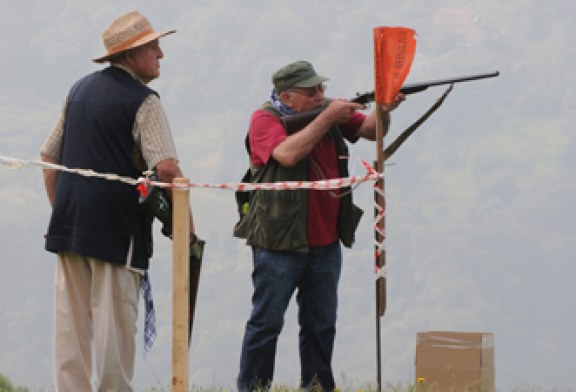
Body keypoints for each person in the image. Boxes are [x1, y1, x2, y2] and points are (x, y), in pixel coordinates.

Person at [40, 11, 194, 392]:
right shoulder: (144, 101)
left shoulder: (77, 90)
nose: (161, 54)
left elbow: (47, 156)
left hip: (69, 226)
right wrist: (186, 226)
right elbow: (169, 169)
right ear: (130, 55)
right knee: (114, 328)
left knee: (70, 329)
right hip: (117, 231)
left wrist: (61, 210)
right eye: (154, 47)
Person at [234, 60, 404, 391]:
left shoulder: (326, 109)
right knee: (266, 323)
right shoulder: (264, 118)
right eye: (311, 91)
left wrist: (384, 109)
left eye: (321, 89)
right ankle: (253, 387)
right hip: (279, 242)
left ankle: (317, 386)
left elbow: (371, 131)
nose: (320, 95)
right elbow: (286, 154)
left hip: (326, 241)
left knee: (321, 324)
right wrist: (328, 118)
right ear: (287, 96)